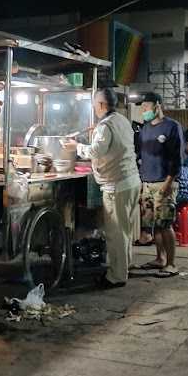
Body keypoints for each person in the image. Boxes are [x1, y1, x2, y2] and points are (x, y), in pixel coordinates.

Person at [63, 88, 141, 289]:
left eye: (95, 104)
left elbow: (96, 150)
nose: (94, 108)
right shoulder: (121, 120)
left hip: (118, 186)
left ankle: (116, 276)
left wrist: (76, 147)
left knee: (116, 233)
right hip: (132, 182)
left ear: (101, 105)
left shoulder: (106, 126)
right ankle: (125, 266)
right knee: (125, 230)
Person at [138, 92, 184, 277]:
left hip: (165, 182)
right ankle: (160, 259)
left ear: (158, 105)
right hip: (147, 183)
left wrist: (168, 183)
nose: (144, 111)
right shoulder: (145, 129)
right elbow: (141, 156)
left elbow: (177, 158)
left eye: (146, 107)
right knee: (153, 225)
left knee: (165, 224)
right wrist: (142, 182)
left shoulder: (172, 127)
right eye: (142, 108)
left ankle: (172, 264)